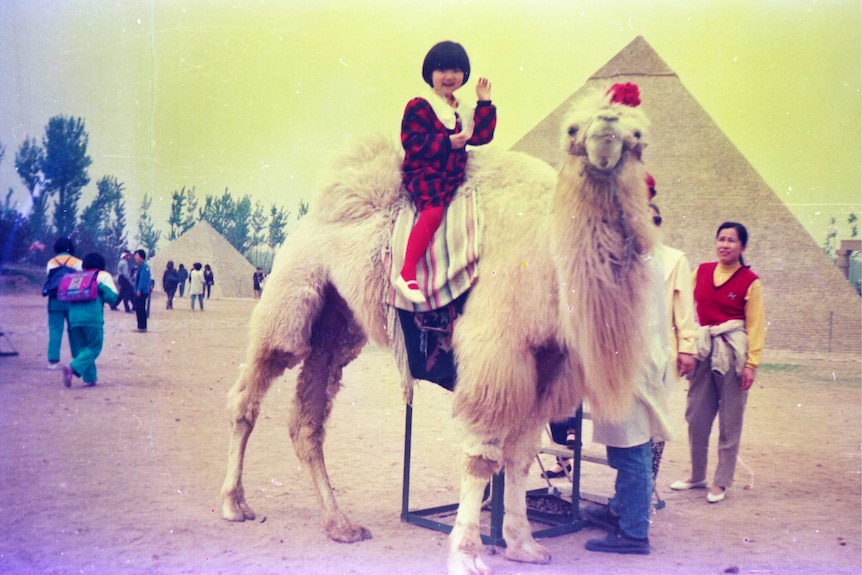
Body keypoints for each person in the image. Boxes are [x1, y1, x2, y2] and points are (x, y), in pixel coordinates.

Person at [394, 40, 496, 304]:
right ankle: (407, 273)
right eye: (442, 70)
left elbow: (481, 136)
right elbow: (412, 142)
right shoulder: (421, 105)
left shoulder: (460, 110)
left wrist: (484, 104)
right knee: (434, 211)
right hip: (426, 172)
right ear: (430, 74)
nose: (449, 76)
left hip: (453, 175)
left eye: (455, 70)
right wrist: (446, 143)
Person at [583, 253, 672, 556]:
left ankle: (634, 533)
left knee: (632, 449)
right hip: (634, 359)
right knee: (627, 446)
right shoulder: (642, 255)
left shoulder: (634, 259)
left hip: (631, 363)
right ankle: (619, 510)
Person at [671, 222, 765, 504]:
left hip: (733, 354)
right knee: (696, 417)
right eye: (721, 239)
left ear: (743, 247)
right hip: (704, 348)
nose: (725, 245)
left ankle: (721, 481)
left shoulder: (750, 281)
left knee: (730, 421)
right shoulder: (700, 271)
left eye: (732, 241)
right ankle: (697, 475)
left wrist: (751, 363)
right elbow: (682, 307)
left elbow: (756, 325)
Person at [647, 199, 698, 484]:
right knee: (627, 425)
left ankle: (648, 483)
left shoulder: (675, 259)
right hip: (627, 354)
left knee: (654, 420)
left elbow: (685, 310)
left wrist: (687, 347)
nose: (650, 226)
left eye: (655, 220)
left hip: (661, 351)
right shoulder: (621, 257)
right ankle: (630, 488)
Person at [61, 252, 118, 388]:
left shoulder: (77, 277)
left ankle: (90, 379)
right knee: (94, 347)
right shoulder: (103, 276)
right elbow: (113, 298)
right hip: (92, 318)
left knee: (83, 348)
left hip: (73, 318)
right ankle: (72, 368)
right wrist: (102, 288)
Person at [45, 237, 83, 369]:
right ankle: (77, 358)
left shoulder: (51, 262)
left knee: (55, 330)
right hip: (73, 300)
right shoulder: (77, 262)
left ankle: (53, 360)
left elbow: (49, 280)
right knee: (74, 330)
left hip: (55, 300)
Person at [133, 249, 151, 332]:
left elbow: (143, 280)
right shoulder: (141, 266)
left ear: (141, 256)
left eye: (137, 256)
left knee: (140, 309)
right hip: (140, 291)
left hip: (142, 292)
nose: (135, 257)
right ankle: (140, 326)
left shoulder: (145, 267)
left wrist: (139, 290)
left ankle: (142, 327)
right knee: (139, 308)